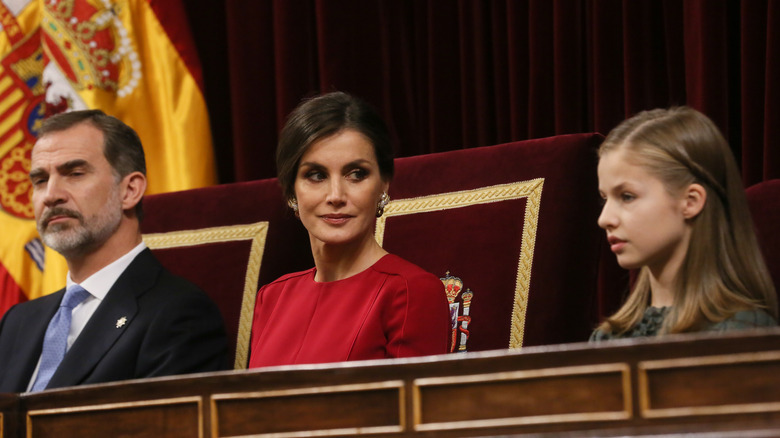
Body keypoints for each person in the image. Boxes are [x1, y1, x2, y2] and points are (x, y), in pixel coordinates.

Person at [0, 110, 229, 392]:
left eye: (74, 173)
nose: (51, 195)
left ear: (130, 190)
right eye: (40, 180)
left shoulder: (179, 315)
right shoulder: (18, 321)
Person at [248, 92, 450, 367]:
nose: (336, 195)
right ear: (290, 191)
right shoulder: (271, 297)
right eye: (316, 175)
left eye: (356, 174)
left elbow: (412, 409)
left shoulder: (411, 291)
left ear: (384, 185)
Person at [591, 106, 778, 341]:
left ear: (690, 201)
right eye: (605, 198)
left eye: (627, 196)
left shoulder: (741, 334)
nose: (604, 219)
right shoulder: (607, 337)